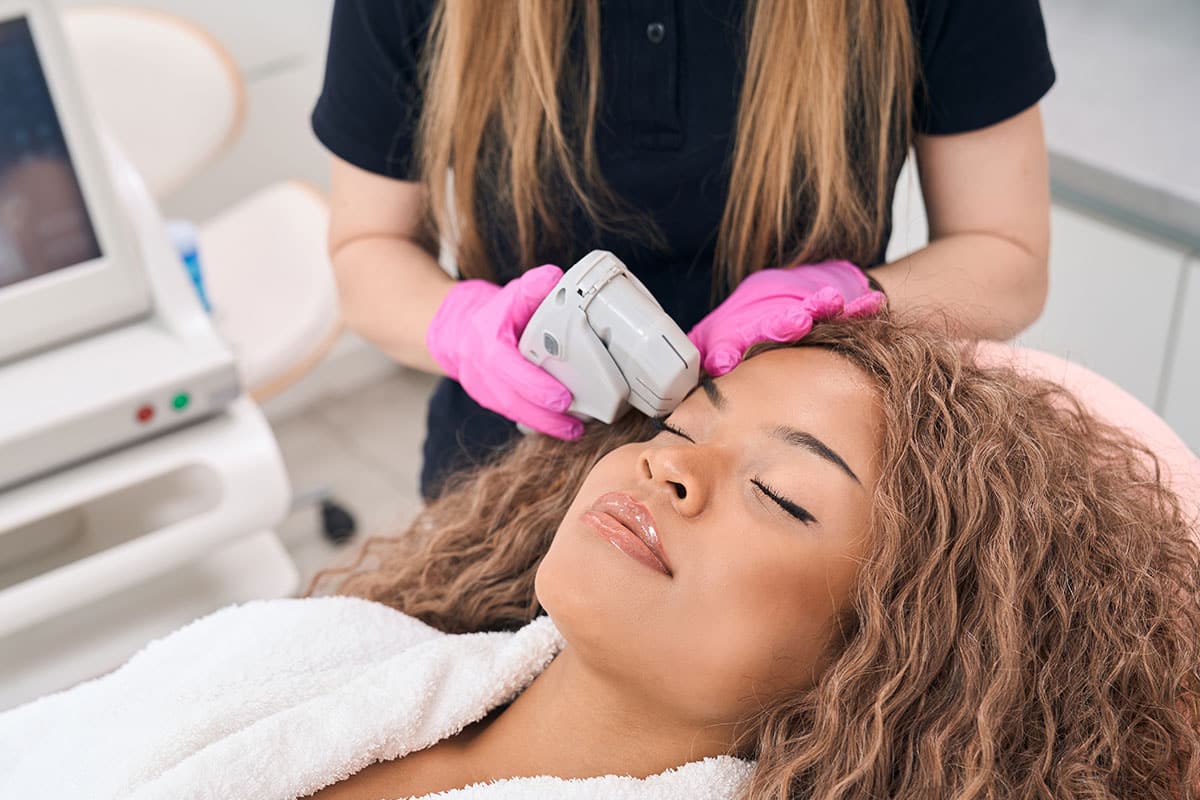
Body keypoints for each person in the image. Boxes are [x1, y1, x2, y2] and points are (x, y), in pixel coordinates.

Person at [2, 318, 1197, 797]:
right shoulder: (328, 652)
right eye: (681, 425)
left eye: (779, 490)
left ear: (896, 649)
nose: (665, 466)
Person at [312, 0, 1058, 499]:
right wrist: (463, 326)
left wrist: (850, 295)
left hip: (778, 501)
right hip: (502, 486)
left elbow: (1007, 257)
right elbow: (366, 251)